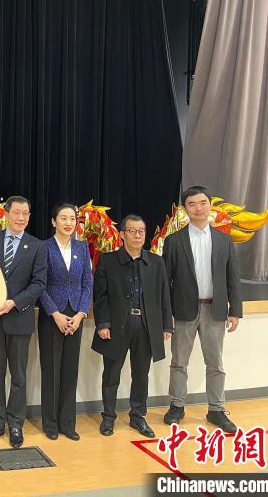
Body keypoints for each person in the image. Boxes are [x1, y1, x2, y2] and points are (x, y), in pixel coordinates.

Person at [162, 186, 243, 432]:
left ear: (210, 205)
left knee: (215, 363)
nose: (198, 208)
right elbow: (165, 281)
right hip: (183, 311)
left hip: (215, 310)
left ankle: (216, 410)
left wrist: (235, 310)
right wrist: (167, 313)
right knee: (179, 362)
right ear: (185, 209)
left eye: (203, 203)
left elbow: (233, 278)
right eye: (192, 204)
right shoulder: (174, 241)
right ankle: (176, 406)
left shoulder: (224, 240)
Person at [0, 196, 47, 449]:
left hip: (19, 318)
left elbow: (39, 283)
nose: (21, 218)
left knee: (19, 376)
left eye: (25, 213)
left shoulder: (37, 246)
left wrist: (14, 302)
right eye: (16, 212)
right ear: (6, 214)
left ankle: (15, 424)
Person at [92, 214, 172, 438]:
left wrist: (166, 325)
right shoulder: (108, 261)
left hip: (146, 326)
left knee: (141, 374)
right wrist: (103, 324)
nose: (137, 235)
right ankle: (108, 417)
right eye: (132, 231)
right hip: (117, 326)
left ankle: (138, 416)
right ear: (122, 234)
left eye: (141, 231)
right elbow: (100, 297)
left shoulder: (156, 262)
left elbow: (164, 296)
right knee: (111, 374)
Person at [38, 203, 92, 441]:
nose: (69, 223)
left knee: (70, 370)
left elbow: (87, 283)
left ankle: (67, 423)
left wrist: (80, 314)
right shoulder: (44, 247)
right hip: (52, 316)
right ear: (54, 221)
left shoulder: (82, 247)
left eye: (72, 218)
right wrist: (55, 313)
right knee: (51, 370)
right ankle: (50, 423)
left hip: (75, 317)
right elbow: (39, 284)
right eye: (63, 218)